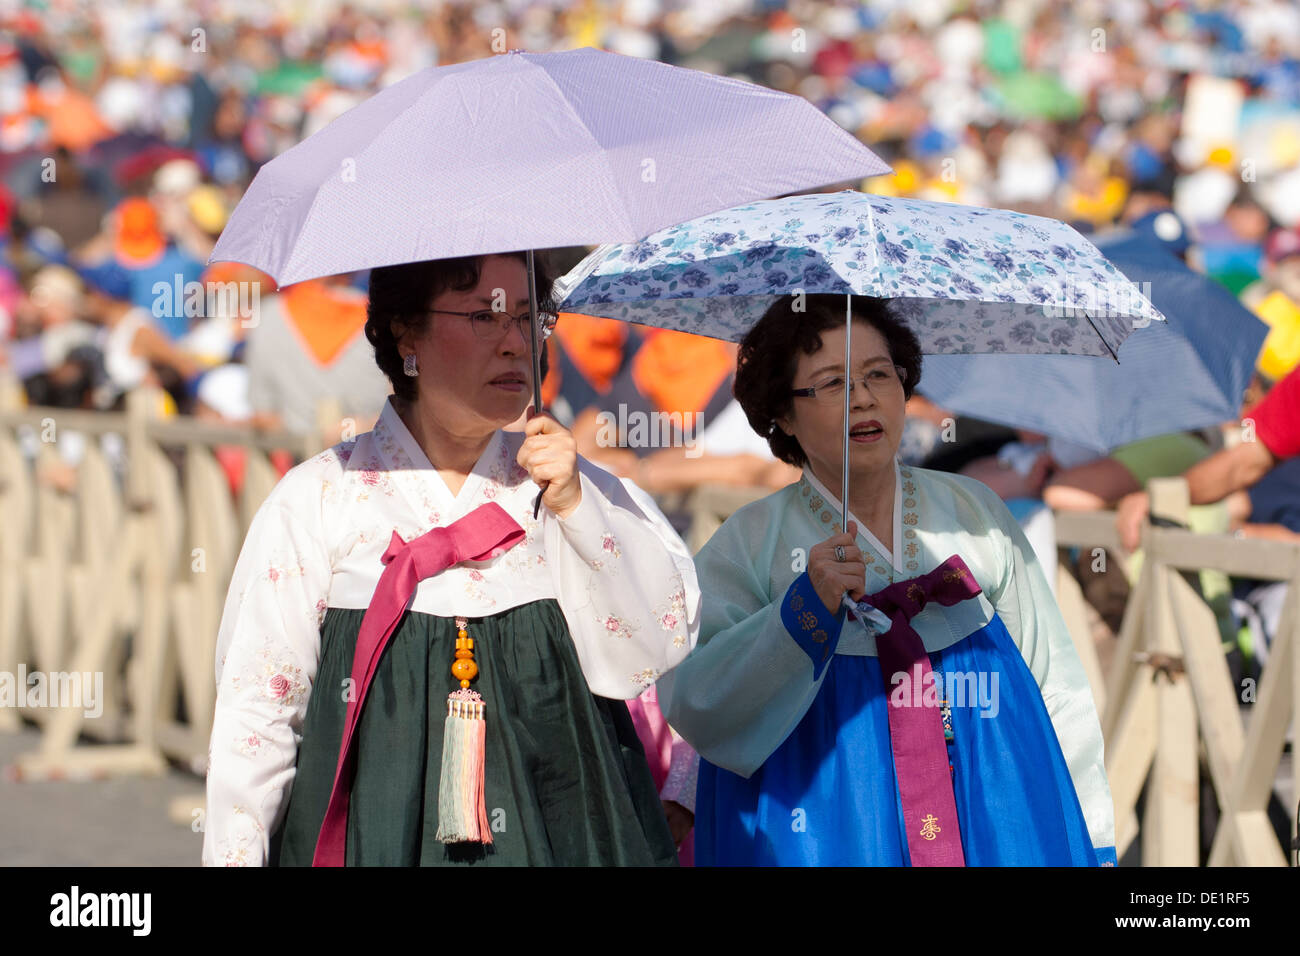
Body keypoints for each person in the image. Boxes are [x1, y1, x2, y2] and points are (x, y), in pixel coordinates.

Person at [202, 252, 700, 866]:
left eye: (528, 316)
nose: (516, 343)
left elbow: (649, 655)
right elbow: (260, 714)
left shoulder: (571, 491)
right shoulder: (322, 499)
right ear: (405, 332)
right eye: (486, 317)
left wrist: (575, 508)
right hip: (375, 839)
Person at [661, 294, 1116, 866]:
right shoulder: (751, 542)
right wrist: (803, 610)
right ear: (782, 413)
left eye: (879, 373)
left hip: (993, 795)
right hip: (827, 812)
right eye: (832, 383)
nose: (864, 397)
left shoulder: (973, 512)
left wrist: (1093, 831)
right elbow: (696, 699)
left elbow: (1054, 678)